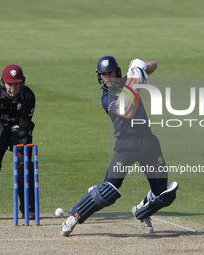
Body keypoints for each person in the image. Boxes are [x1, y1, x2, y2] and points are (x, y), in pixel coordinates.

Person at [60, 56, 178, 236]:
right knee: (107, 191)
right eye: (104, 74)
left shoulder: (128, 80)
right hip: (126, 146)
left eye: (110, 73)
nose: (107, 77)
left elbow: (154, 65)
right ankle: (74, 217)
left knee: (164, 194)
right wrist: (134, 84)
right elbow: (127, 112)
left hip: (149, 143)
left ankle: (143, 211)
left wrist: (139, 68)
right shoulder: (107, 98)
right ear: (99, 76)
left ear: (117, 71)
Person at [0, 65, 36, 220]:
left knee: (24, 165)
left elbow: (26, 121)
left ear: (22, 82)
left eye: (16, 84)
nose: (13, 88)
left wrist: (18, 130)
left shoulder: (28, 96)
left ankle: (28, 208)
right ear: (3, 83)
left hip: (20, 131)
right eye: (10, 84)